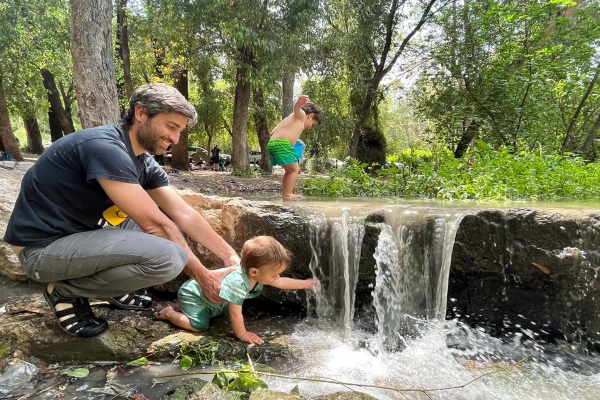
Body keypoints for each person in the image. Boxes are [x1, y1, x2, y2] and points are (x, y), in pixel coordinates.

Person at [2, 83, 240, 338]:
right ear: (141, 113)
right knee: (169, 257)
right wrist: (204, 277)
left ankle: (112, 288)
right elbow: (157, 226)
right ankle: (65, 291)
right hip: (42, 251)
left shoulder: (142, 161)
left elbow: (183, 214)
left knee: (161, 224)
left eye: (179, 131)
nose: (175, 139)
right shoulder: (104, 147)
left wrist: (232, 258)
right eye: (171, 127)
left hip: (84, 235)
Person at [154, 236, 319, 344]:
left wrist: (304, 283)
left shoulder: (255, 274)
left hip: (213, 299)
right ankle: (170, 313)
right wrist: (242, 334)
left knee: (224, 311)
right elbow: (235, 313)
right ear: (254, 272)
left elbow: (282, 282)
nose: (278, 277)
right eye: (275, 274)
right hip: (194, 295)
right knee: (200, 325)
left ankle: (186, 309)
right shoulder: (239, 283)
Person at [267, 95, 322, 200]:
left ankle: (285, 193)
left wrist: (291, 139)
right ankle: (288, 194)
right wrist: (299, 103)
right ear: (310, 116)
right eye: (312, 124)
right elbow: (297, 109)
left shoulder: (288, 119)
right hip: (282, 144)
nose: (310, 127)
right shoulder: (301, 116)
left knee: (289, 170)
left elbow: (273, 131)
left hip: (272, 144)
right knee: (295, 169)